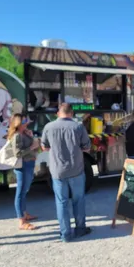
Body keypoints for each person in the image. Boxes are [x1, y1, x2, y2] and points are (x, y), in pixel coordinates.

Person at [41, 103, 91, 242]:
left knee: (61, 202)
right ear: (72, 113)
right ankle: (80, 229)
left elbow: (44, 147)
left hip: (57, 171)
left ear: (58, 112)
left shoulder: (48, 127)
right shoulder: (78, 127)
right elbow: (87, 147)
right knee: (78, 200)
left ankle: (65, 234)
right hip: (76, 170)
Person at [7, 113, 40, 230]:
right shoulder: (17, 136)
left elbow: (33, 146)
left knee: (24, 191)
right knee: (20, 193)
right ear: (18, 122)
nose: (28, 122)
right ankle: (21, 221)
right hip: (23, 166)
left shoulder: (24, 133)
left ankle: (25, 214)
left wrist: (31, 137)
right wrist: (32, 147)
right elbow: (18, 154)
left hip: (29, 164)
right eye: (25, 120)